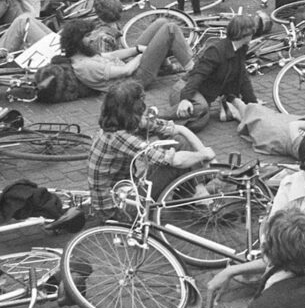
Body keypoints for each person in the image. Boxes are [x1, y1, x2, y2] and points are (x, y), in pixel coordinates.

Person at [207, 129, 305, 301]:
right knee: (271, 291)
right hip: (300, 262)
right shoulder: (289, 185)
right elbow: (273, 234)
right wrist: (233, 270)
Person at [87, 80, 214, 216]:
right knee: (172, 165)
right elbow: (176, 161)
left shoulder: (121, 121)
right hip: (117, 209)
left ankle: (197, 193)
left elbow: (180, 129)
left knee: (178, 142)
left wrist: (206, 154)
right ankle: (197, 198)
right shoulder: (118, 137)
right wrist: (203, 156)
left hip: (125, 190)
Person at [171, 13, 263, 131]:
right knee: (201, 108)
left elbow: (243, 78)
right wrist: (185, 98)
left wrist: (252, 103)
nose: (253, 34)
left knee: (199, 123)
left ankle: (172, 123)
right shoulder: (216, 50)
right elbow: (197, 75)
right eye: (252, 31)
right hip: (184, 89)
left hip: (201, 96)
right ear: (245, 34)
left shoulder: (241, 49)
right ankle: (155, 117)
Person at [56, 16, 192, 93]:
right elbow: (126, 71)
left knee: (161, 22)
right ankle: (193, 70)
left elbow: (111, 55)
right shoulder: (84, 66)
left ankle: (166, 66)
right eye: (87, 36)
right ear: (76, 40)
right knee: (170, 29)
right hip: (135, 80)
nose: (92, 38)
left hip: (130, 67)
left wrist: (137, 49)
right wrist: (143, 54)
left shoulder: (82, 54)